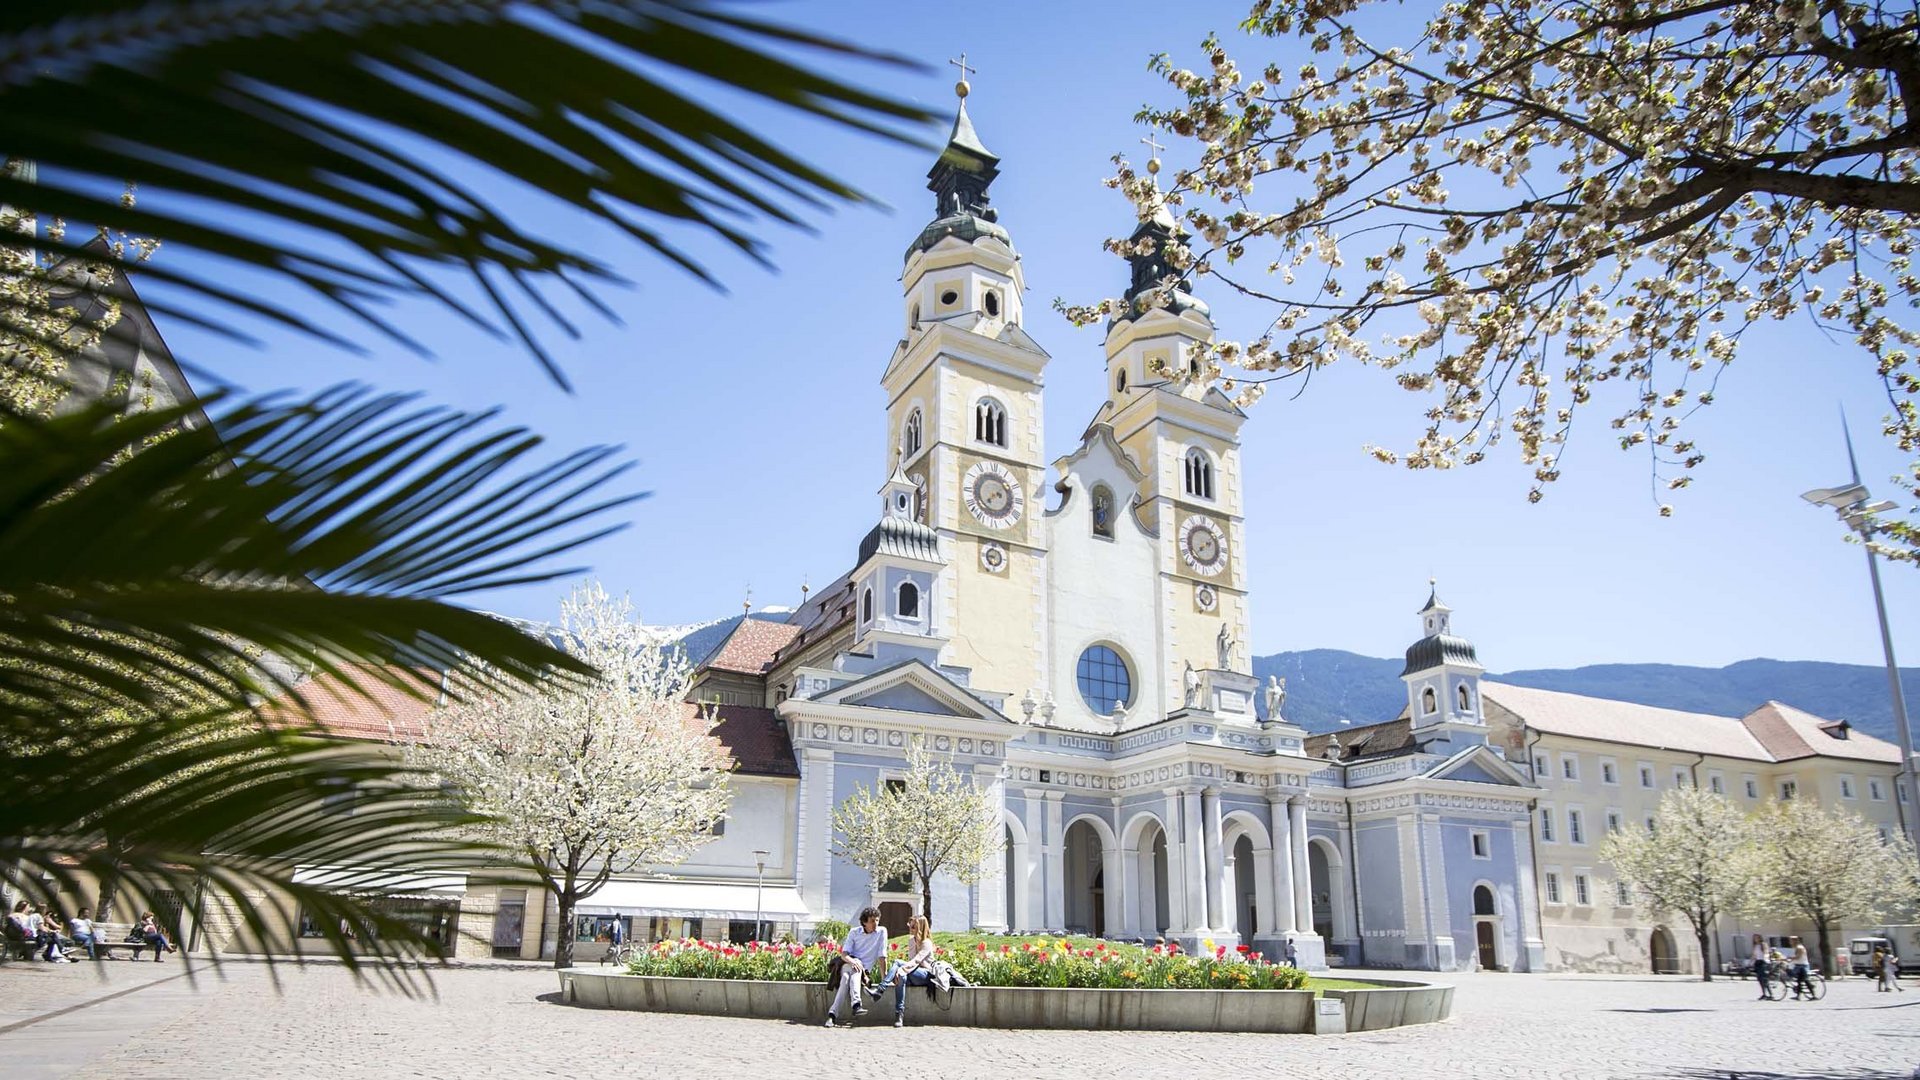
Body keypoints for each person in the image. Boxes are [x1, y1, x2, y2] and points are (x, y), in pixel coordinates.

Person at [824, 907, 886, 1027]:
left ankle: (832, 1015)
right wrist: (853, 962)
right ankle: (856, 1004)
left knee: (846, 979)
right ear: (864, 922)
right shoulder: (854, 932)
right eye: (872, 921)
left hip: (862, 971)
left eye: (877, 920)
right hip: (848, 964)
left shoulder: (882, 931)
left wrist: (884, 980)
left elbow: (882, 956)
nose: (876, 924)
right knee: (855, 966)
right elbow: (844, 955)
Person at [881, 916, 937, 1027]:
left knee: (897, 963)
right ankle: (899, 1015)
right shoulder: (912, 941)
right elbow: (911, 961)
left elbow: (917, 960)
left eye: (913, 926)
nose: (910, 928)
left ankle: (881, 988)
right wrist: (902, 971)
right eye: (910, 925)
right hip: (912, 972)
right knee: (901, 977)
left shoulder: (927, 943)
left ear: (920, 927)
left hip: (925, 975)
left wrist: (901, 969)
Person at [1751, 934, 1771, 1000]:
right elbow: (1754, 955)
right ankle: (1764, 994)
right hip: (1758, 962)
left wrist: (1765, 960)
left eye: (1757, 938)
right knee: (1760, 979)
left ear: (1760, 938)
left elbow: (1766, 952)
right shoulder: (1755, 946)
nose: (1755, 939)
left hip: (1763, 962)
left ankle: (1770, 994)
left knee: (1764, 979)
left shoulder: (1763, 944)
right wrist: (1751, 962)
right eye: (1754, 938)